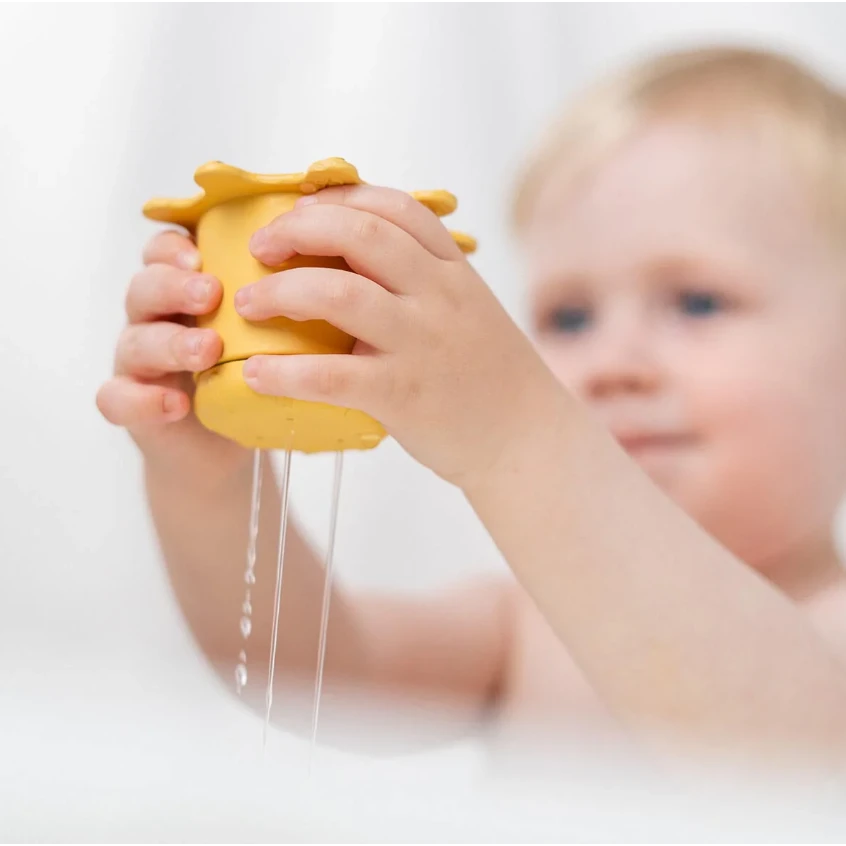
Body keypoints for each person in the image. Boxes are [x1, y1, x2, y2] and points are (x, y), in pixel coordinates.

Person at [97, 44, 846, 776]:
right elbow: (309, 674)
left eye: (698, 302)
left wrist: (519, 436)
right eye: (570, 317)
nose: (613, 363)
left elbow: (787, 764)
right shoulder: (521, 628)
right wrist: (211, 488)